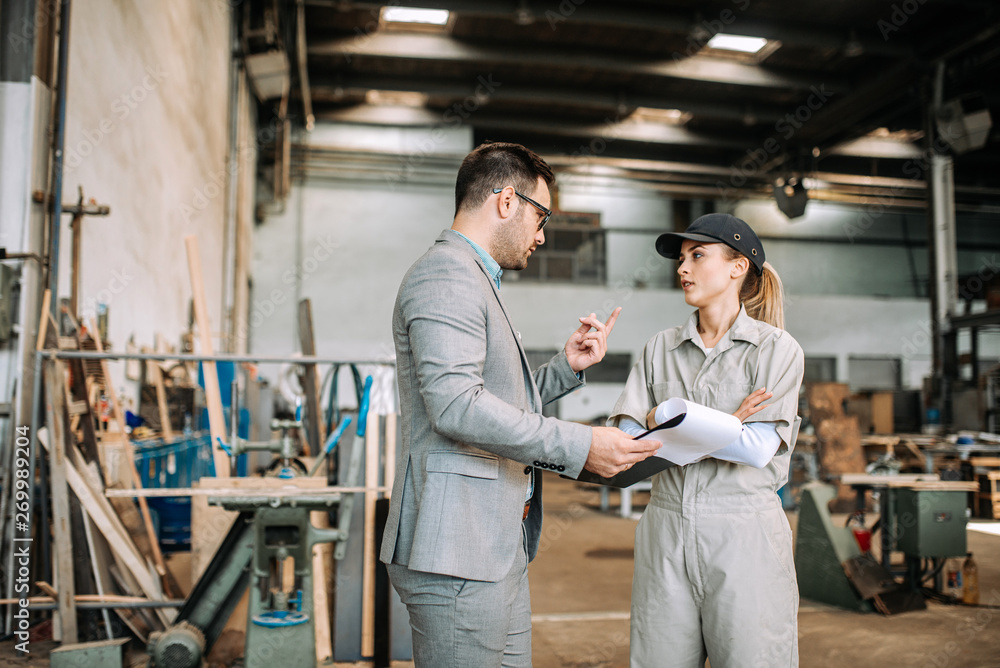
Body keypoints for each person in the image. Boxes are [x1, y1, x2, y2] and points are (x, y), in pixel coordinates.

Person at [381, 140, 660, 667]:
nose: (543, 233)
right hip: (456, 550)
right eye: (542, 214)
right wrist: (580, 445)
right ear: (506, 201)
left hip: (492, 544)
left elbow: (488, 395)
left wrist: (564, 368)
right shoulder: (447, 274)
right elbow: (457, 407)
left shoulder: (475, 278)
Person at [608, 213, 804, 668]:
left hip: (744, 534)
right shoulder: (660, 348)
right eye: (681, 259)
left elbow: (756, 449)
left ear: (738, 267)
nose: (682, 268)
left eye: (697, 255)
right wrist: (724, 424)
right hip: (666, 530)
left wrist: (668, 419)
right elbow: (626, 438)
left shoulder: (776, 350)